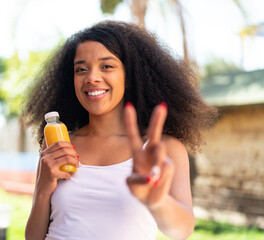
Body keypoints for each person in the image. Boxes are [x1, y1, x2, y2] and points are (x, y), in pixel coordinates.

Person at [23, 20, 217, 240]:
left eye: (106, 66)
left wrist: (156, 200)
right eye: (81, 69)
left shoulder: (162, 148)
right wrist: (42, 189)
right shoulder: (57, 143)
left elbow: (182, 232)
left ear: (129, 77)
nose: (91, 77)